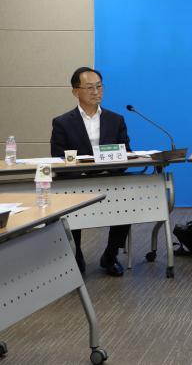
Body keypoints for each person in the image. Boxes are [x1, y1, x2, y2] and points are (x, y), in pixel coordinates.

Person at [50, 67, 131, 277]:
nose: (96, 92)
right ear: (75, 91)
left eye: (99, 87)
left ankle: (111, 255)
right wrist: (82, 175)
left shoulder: (116, 120)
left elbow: (126, 153)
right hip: (77, 184)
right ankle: (76, 255)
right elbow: (58, 158)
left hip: (110, 181)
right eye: (89, 88)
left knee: (129, 202)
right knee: (70, 207)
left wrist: (108, 169)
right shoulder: (62, 123)